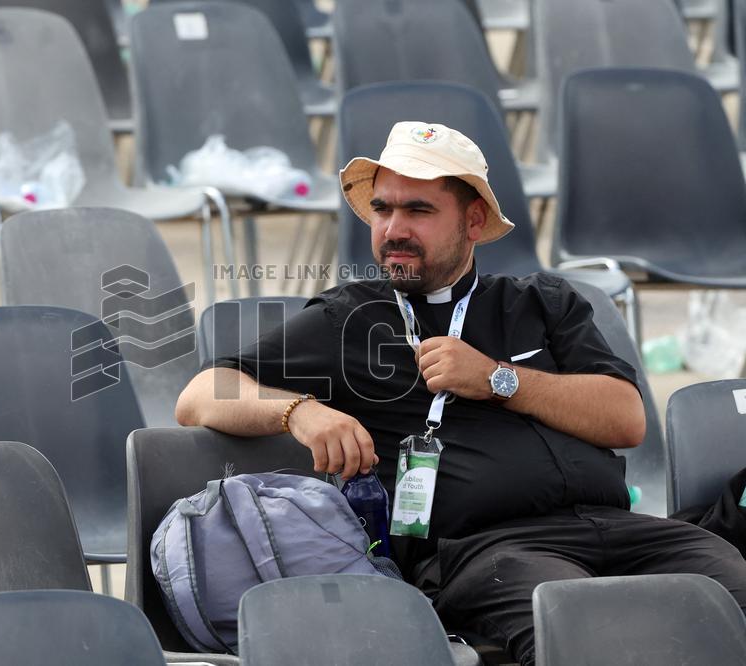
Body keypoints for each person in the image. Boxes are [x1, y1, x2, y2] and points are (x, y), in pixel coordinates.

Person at [175, 121, 746, 665]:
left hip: (622, 528)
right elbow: (200, 394)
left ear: (474, 222)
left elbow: (626, 420)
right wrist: (298, 413)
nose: (393, 228)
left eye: (418, 210)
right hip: (485, 550)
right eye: (383, 208)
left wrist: (500, 380)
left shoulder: (541, 302)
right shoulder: (350, 318)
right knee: (588, 622)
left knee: (731, 586)